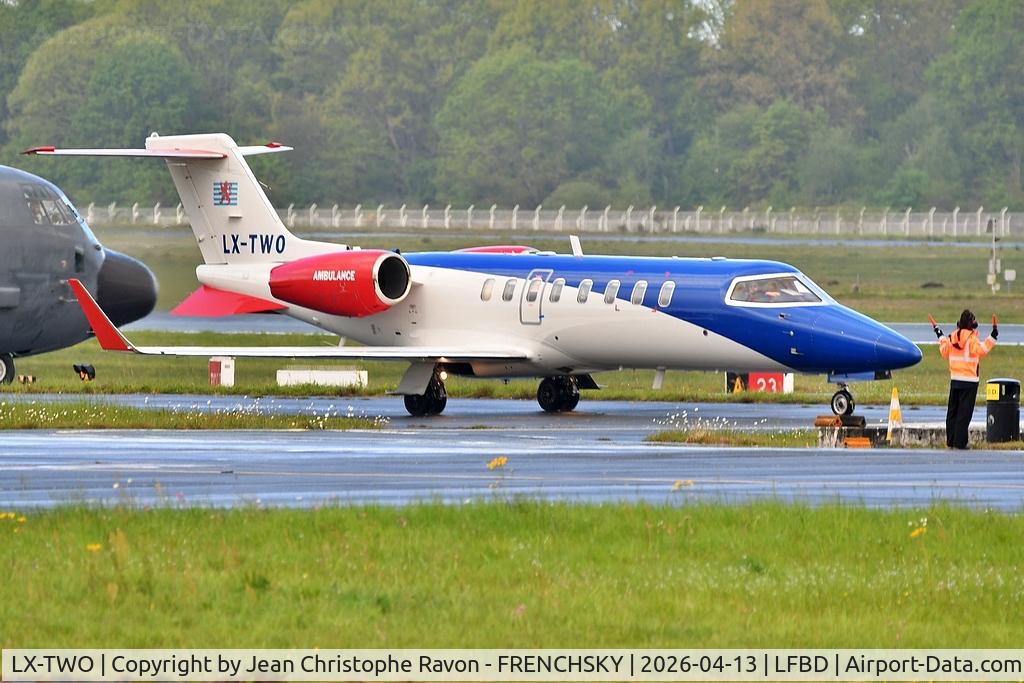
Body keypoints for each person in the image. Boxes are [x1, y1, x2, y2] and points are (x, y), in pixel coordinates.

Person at [933, 310, 997, 449]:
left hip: (955, 380)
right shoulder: (971, 339)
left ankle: (951, 441)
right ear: (970, 323)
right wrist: (993, 336)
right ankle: (960, 443)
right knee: (964, 413)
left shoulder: (952, 337)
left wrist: (939, 333)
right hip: (969, 381)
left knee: (953, 412)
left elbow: (944, 351)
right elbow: (981, 350)